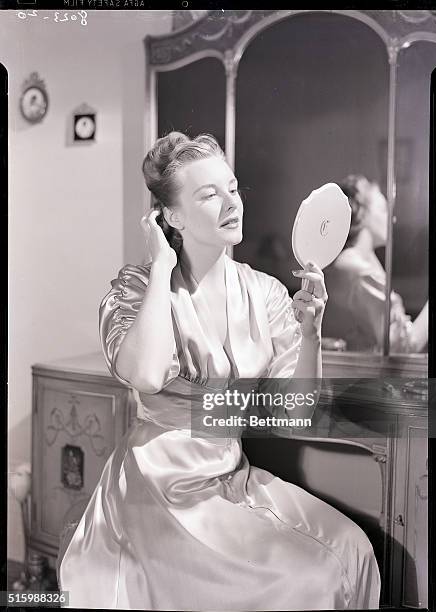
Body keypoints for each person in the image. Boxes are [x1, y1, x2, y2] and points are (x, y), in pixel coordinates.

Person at [58, 133, 381, 610]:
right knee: (305, 578)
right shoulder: (136, 289)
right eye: (209, 194)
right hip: (156, 489)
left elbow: (295, 412)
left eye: (232, 188)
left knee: (353, 547)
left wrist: (310, 330)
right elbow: (146, 374)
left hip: (230, 477)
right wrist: (162, 266)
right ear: (170, 216)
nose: (232, 202)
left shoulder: (265, 291)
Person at [322, 174, 428, 353]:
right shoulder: (356, 269)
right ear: (363, 215)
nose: (392, 219)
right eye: (384, 210)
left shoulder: (360, 263)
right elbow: (400, 347)